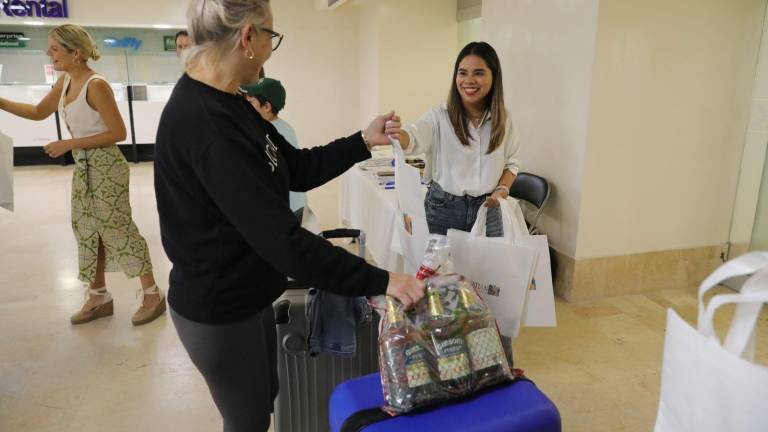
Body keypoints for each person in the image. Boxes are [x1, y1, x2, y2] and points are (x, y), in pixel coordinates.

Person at [153, 1, 425, 430]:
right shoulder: (208, 128)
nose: (270, 50)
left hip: (252, 293)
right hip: (221, 309)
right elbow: (286, 244)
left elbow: (292, 167)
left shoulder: (233, 101)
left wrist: (362, 140)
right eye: (270, 38)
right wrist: (385, 280)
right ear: (247, 37)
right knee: (247, 422)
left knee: (265, 402)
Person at [0, 24, 165, 326]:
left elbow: (118, 132)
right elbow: (39, 111)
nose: (49, 54)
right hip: (84, 165)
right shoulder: (65, 81)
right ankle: (98, 295)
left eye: (55, 49)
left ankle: (152, 293)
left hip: (106, 166)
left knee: (117, 228)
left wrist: (68, 143)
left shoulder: (95, 84)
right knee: (87, 230)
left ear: (76, 53)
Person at [395, 41, 520, 236]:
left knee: (486, 267)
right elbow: (412, 139)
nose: (468, 80)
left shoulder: (504, 119)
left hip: (489, 210)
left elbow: (512, 163)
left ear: (494, 77)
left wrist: (502, 189)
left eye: (478, 73)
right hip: (444, 209)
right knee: (440, 267)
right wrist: (396, 134)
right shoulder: (438, 116)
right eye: (462, 73)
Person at [242, 77, 306, 219]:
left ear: (266, 107)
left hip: (289, 207)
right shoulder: (283, 127)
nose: (245, 104)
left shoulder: (276, 132)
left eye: (250, 101)